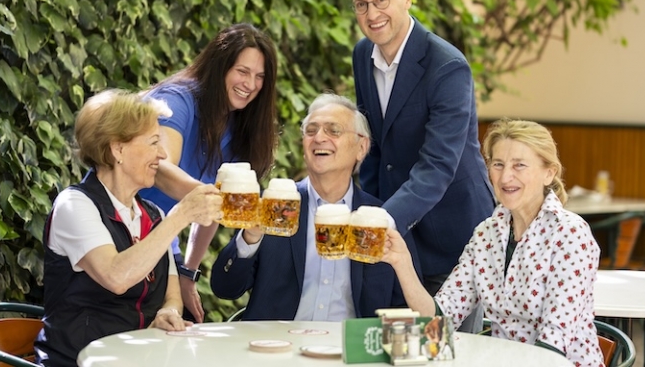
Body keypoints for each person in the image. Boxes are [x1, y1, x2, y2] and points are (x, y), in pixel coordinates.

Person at [381, 118, 602, 366]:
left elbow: (552, 347)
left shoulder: (570, 234)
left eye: (519, 165)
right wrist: (402, 263)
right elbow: (441, 319)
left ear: (548, 173)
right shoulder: (487, 233)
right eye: (498, 164)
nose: (506, 177)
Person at [348, 0, 494, 329]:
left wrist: (379, 219)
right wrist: (369, 209)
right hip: (398, 234)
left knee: (446, 350)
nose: (372, 13)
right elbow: (377, 148)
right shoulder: (363, 55)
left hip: (453, 235)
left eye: (381, 0)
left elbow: (438, 166)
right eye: (361, 4)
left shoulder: (448, 66)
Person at [36, 89, 223, 367]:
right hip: (75, 361)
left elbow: (172, 295)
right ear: (118, 149)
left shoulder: (153, 214)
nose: (162, 154)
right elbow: (116, 276)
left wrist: (168, 312)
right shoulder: (74, 206)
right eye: (153, 142)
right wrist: (181, 215)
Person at [210, 93, 409, 320]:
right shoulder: (274, 206)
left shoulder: (381, 219)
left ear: (361, 147)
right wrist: (250, 237)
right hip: (279, 348)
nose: (319, 138)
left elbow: (404, 308)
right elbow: (224, 289)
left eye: (333, 130)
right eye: (311, 131)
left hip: (349, 350)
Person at [138, 23, 278, 322]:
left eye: (259, 77)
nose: (250, 84)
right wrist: (214, 198)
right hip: (122, 229)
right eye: (242, 71)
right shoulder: (178, 100)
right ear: (220, 67)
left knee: (187, 323)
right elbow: (159, 168)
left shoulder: (238, 126)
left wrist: (188, 270)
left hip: (165, 241)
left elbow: (212, 209)